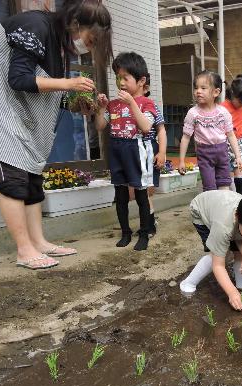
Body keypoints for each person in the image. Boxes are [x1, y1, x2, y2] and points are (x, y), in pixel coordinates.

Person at [0, 0, 113, 270]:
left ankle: (38, 241)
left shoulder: (59, 45)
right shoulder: (35, 26)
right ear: (76, 24)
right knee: (13, 178)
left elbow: (47, 93)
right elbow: (19, 79)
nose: (89, 45)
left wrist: (77, 103)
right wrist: (68, 83)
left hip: (12, 107)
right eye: (92, 39)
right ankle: (24, 249)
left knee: (31, 178)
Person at [95, 52, 159, 251]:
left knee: (141, 194)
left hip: (135, 150)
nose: (120, 82)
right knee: (120, 195)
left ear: (141, 81)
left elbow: (147, 126)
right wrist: (100, 108)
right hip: (116, 150)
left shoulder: (147, 103)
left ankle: (144, 232)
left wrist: (131, 102)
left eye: (125, 78)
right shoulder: (113, 104)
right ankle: (125, 232)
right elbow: (100, 125)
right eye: (118, 78)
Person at [179, 190, 242, 311]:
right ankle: (188, 283)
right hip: (201, 211)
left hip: (226, 210)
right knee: (220, 255)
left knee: (241, 252)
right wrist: (231, 292)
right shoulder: (223, 227)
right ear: (237, 216)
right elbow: (218, 266)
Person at [178, 71, 242, 191]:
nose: (198, 91)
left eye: (203, 88)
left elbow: (231, 135)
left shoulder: (223, 112)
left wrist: (238, 156)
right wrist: (181, 160)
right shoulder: (193, 113)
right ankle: (212, 209)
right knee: (209, 187)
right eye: (196, 87)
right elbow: (186, 137)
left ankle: (224, 208)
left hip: (222, 152)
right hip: (204, 153)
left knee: (224, 184)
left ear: (216, 92)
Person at [141, 81, 167, 235]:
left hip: (149, 148)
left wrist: (162, 152)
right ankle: (148, 221)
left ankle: (149, 223)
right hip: (131, 149)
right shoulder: (125, 107)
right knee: (140, 189)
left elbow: (161, 130)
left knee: (147, 189)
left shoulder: (151, 106)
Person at [221, 78, 242, 195]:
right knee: (224, 168)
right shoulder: (222, 107)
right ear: (232, 94)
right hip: (224, 141)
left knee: (239, 168)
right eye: (241, 101)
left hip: (239, 141)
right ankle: (227, 194)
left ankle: (241, 196)